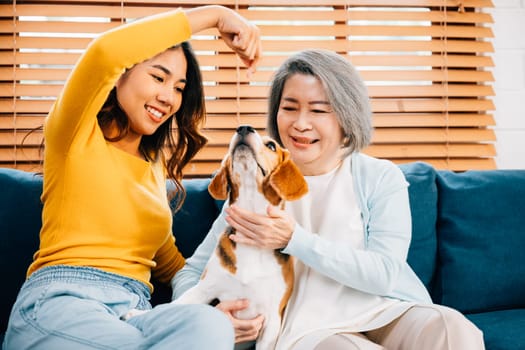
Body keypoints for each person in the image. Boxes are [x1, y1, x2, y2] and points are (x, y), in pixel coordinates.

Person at [172, 49, 485, 349]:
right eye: (289, 107)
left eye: (319, 110)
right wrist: (209, 316)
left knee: (451, 328)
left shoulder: (378, 178)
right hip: (307, 329)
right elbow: (191, 273)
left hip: (388, 309)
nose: (300, 124)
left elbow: (385, 274)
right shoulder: (253, 185)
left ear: (347, 118)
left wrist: (294, 239)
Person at [2, 5, 261, 350]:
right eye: (158, 77)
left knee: (209, 326)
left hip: (135, 313)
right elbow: (105, 52)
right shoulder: (75, 133)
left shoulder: (153, 168)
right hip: (62, 301)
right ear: (119, 75)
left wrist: (221, 304)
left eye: (179, 87)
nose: (168, 97)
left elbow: (172, 265)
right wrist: (215, 15)